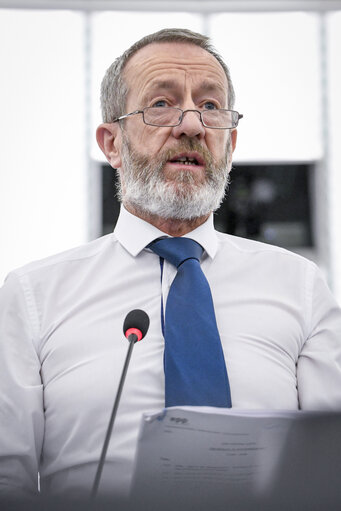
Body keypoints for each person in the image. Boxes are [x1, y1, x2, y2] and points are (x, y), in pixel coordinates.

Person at [1, 28, 341, 502]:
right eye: (161, 104)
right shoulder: (32, 296)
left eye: (210, 106)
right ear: (112, 144)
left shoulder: (300, 285)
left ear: (231, 142)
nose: (192, 125)